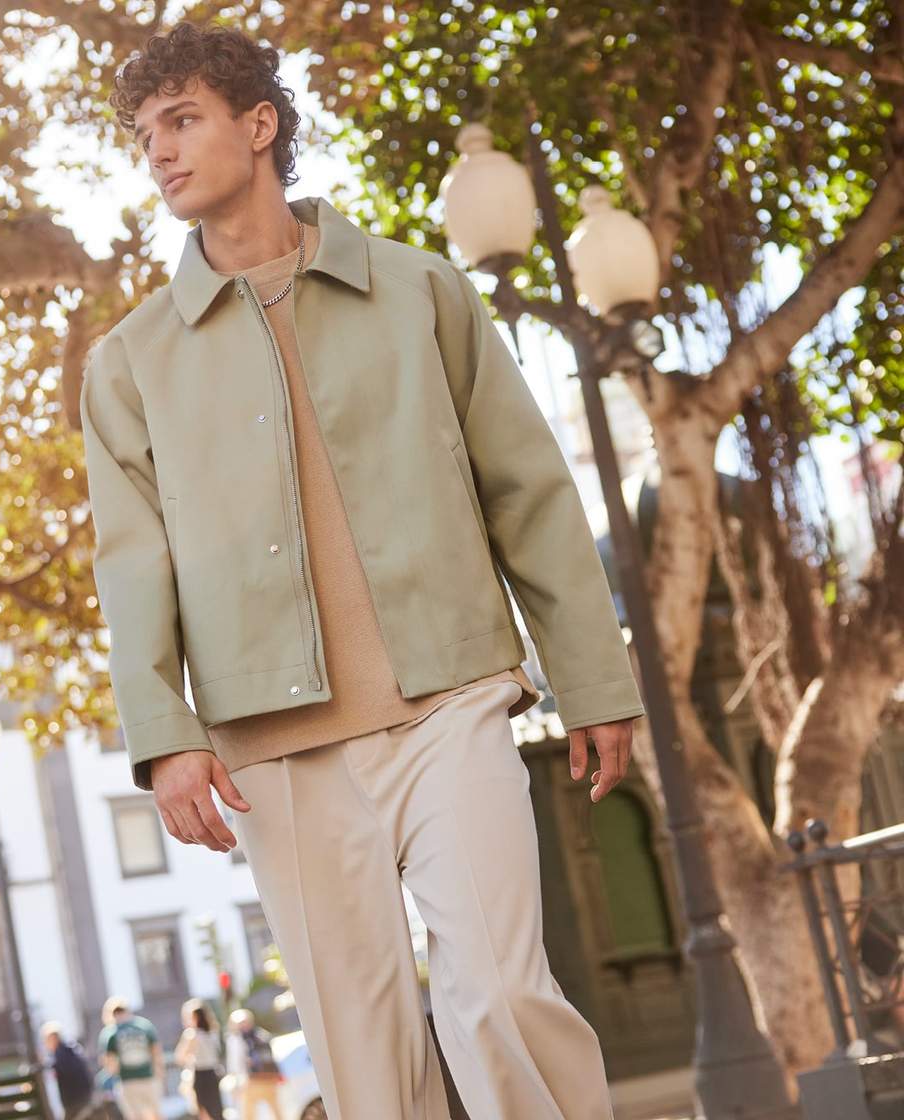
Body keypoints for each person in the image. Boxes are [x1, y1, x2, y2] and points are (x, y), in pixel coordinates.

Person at [80, 19, 646, 1120]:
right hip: (271, 747)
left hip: (449, 698)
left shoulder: (421, 290)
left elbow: (527, 493)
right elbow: (132, 564)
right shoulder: (129, 364)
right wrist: (166, 736)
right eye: (145, 133)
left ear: (260, 125)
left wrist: (592, 678)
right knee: (364, 1057)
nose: (160, 150)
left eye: (182, 119)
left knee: (501, 997)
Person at [97, 997, 165, 1120]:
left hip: (127, 1080)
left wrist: (113, 1075)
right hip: (149, 1077)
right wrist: (160, 1072)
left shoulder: (111, 1032)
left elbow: (108, 1060)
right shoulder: (144, 1025)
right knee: (155, 1114)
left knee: (135, 1116)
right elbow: (156, 1051)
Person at [173, 999, 225, 1120]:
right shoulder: (213, 1032)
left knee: (203, 1110)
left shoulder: (192, 1034)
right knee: (215, 1108)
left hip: (200, 1074)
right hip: (213, 1073)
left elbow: (179, 1057)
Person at [224, 1010, 281, 1120]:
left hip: (251, 1081)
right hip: (268, 1079)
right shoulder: (261, 1034)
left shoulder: (236, 1039)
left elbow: (235, 1065)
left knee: (248, 1115)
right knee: (276, 1111)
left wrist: (237, 1084)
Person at [41, 1021, 95, 1120]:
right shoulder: (71, 1049)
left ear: (53, 1038)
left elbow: (59, 1069)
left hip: (73, 1100)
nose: (46, 1044)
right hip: (84, 1096)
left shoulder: (60, 1054)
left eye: (47, 1040)